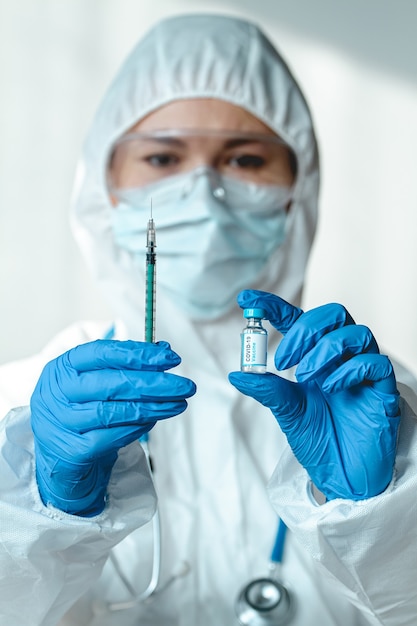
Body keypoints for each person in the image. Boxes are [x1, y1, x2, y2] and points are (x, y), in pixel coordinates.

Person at [0, 13, 416, 626]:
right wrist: (44, 508)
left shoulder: (371, 399)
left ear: (297, 190)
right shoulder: (25, 406)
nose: (203, 192)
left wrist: (379, 514)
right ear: (104, 186)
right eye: (164, 157)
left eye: (246, 161)